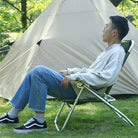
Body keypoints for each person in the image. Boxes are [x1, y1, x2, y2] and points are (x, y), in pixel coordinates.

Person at [0, 15, 129, 134]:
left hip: (81, 90)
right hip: (78, 86)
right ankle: (12, 116)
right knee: (33, 73)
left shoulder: (116, 52)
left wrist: (74, 77)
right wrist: (71, 71)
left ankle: (38, 122)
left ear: (114, 32)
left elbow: (107, 78)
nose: (103, 30)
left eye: (106, 26)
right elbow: (91, 72)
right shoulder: (109, 51)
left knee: (39, 71)